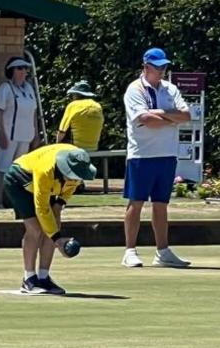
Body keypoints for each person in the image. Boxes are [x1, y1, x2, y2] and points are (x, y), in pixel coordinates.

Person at [120, 48, 192, 268]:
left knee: (161, 204)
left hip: (167, 153)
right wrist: (171, 117)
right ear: (146, 67)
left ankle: (162, 251)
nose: (162, 70)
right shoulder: (135, 89)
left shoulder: (171, 89)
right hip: (141, 154)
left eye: (164, 66)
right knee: (137, 202)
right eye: (158, 67)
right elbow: (145, 119)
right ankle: (129, 251)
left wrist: (161, 114)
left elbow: (186, 116)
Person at [3, 143, 94, 294]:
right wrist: (58, 240)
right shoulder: (45, 171)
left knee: (54, 225)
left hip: (49, 187)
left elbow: (70, 187)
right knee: (36, 229)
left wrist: (59, 205)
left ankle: (44, 278)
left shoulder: (79, 165)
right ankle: (29, 279)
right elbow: (42, 208)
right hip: (19, 180)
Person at [0, 56, 39, 207]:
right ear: (12, 71)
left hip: (25, 136)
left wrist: (35, 134)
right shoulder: (5, 88)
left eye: (25, 68)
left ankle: (17, 202)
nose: (24, 71)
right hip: (8, 136)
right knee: (2, 168)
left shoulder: (29, 89)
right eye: (20, 68)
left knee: (20, 170)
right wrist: (2, 134)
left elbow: (33, 113)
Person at [56, 81, 104, 154]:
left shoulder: (73, 105)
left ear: (76, 95)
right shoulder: (97, 106)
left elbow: (62, 131)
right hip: (94, 149)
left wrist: (57, 145)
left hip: (76, 150)